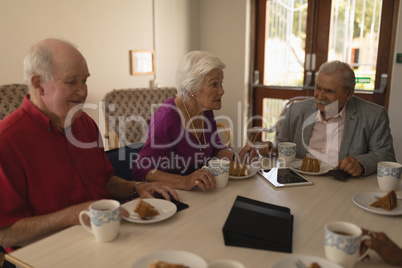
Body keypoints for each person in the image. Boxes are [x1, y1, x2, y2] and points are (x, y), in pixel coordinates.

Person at [0, 38, 178, 252]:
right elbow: (6, 233)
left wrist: (137, 187)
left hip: (107, 238)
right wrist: (75, 215)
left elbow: (105, 181)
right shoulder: (7, 141)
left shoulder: (85, 123)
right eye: (71, 81)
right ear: (39, 84)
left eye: (84, 81)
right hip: (50, 255)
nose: (83, 91)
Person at [132, 51, 258, 191]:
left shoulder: (205, 110)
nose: (222, 90)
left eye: (221, 83)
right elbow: (141, 169)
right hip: (168, 196)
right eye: (214, 84)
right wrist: (184, 181)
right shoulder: (167, 118)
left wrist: (236, 158)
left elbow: (215, 147)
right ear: (192, 89)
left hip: (200, 193)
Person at [262, 60, 395, 177]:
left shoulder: (374, 115)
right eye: (318, 88)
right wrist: (271, 149)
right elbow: (282, 146)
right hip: (300, 179)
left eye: (329, 91)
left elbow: (386, 155)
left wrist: (360, 163)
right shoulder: (295, 110)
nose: (320, 96)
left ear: (348, 94)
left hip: (343, 185)